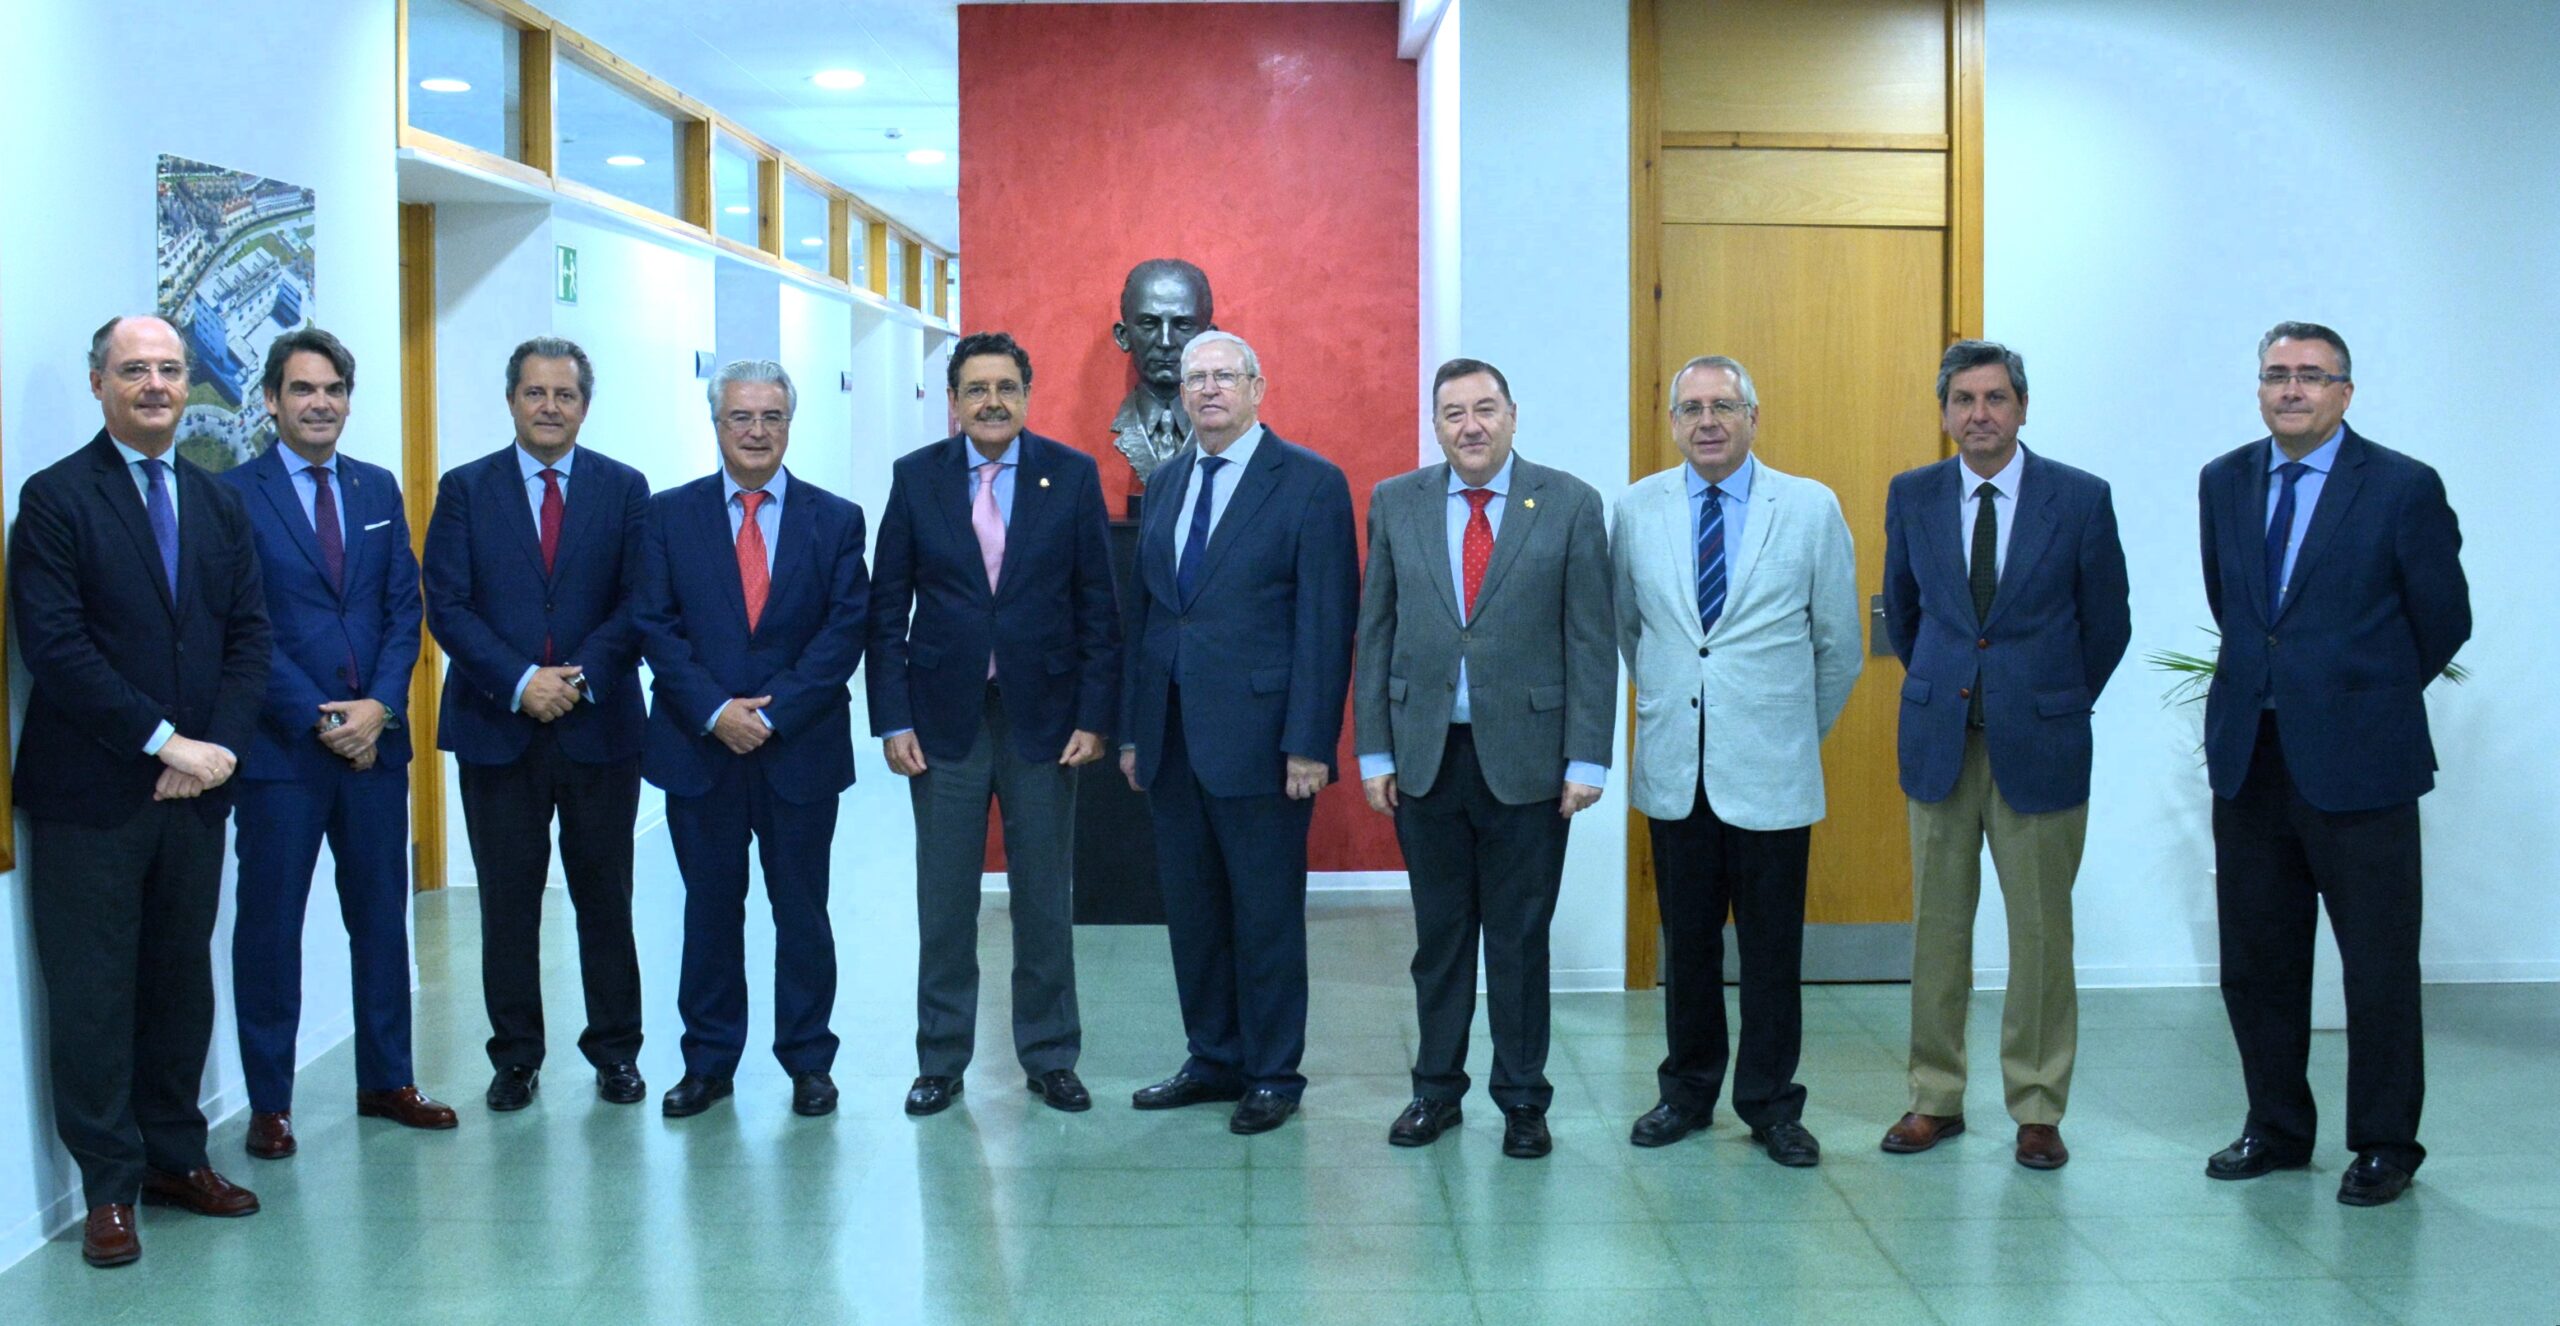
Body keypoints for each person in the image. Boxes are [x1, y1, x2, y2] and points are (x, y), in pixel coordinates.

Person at [11, 314, 273, 1266]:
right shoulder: (54, 501)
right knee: (91, 998)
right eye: (135, 370)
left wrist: (216, 752)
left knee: (177, 986)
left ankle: (175, 1159)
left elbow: (250, 638)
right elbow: (58, 649)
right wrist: (167, 741)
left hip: (196, 797)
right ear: (99, 385)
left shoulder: (215, 503)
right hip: (94, 796)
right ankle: (108, 1190)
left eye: (169, 369)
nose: (155, 385)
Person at [2198, 322, 2469, 1207]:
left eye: (2312, 376)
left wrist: (2362, 696)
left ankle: (2387, 1143)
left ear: (2345, 392)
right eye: (2277, 374)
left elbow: (2443, 619)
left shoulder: (2400, 487)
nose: (2292, 390)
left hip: (2363, 764)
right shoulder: (2225, 481)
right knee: (2258, 961)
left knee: (2377, 965)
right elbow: (2236, 608)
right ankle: (2276, 1127)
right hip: (2252, 759)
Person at [1353, 357, 1614, 1160]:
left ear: (1512, 415)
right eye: (1453, 412)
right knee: (1440, 939)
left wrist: (1589, 759)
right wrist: (1373, 750)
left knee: (1519, 939)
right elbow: (1377, 632)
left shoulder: (1568, 503)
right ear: (1435, 424)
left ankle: (1524, 1101)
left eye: (1485, 409)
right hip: (1426, 757)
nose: (1470, 425)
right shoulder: (1398, 502)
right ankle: (1436, 1092)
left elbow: (1591, 641)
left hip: (1531, 763)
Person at [1878, 340, 2130, 1170]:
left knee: (2041, 937)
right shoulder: (1913, 495)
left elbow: (2108, 623)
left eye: (1994, 398)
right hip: (1940, 745)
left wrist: (2049, 696)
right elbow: (1908, 618)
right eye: (1963, 400)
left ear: (2022, 408)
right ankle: (1934, 1098)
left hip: (2042, 744)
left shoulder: (2080, 499)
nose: (1978, 414)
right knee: (1937, 934)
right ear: (1945, 411)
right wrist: (1954, 682)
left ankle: (2037, 1106)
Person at [1613, 354, 1861, 1167]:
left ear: (1754, 416)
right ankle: (1685, 1092)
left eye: (1723, 405)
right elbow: (1635, 634)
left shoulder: (1811, 508)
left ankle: (1769, 1104)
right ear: (1674, 422)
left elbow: (1839, 647)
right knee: (1685, 947)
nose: (1707, 420)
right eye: (1691, 408)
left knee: (1770, 951)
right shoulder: (1638, 509)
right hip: (1676, 768)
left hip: (1773, 771)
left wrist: (1785, 731)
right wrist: (1684, 710)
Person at [868, 332, 1121, 1118]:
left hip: (1043, 720)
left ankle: (1050, 1057)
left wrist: (1094, 715)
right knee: (945, 900)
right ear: (953, 401)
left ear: (1027, 394)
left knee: (1044, 895)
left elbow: (1098, 611)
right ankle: (941, 1060)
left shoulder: (1071, 477)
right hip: (943, 719)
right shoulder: (917, 479)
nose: (991, 401)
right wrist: (891, 718)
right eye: (975, 388)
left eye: (1006, 386)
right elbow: (885, 611)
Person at [223, 329, 457, 1162]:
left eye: (333, 389)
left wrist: (379, 708)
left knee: (380, 921)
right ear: (271, 401)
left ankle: (387, 1078)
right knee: (270, 929)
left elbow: (406, 608)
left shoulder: (377, 488)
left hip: (375, 752)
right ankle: (269, 1103)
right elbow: (239, 628)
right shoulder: (233, 496)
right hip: (283, 757)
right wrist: (324, 719)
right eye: (302, 390)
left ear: (348, 400)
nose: (319, 403)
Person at [1118, 330, 1358, 1134]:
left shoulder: (1310, 484)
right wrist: (1131, 731)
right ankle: (1213, 1056)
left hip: (1264, 740)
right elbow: (1149, 616)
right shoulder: (1170, 480)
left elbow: (1327, 624)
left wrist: (1310, 742)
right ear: (1182, 394)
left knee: (1264, 913)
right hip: (1172, 737)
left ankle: (1272, 1071)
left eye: (1225, 376)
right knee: (1193, 912)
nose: (1209, 390)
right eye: (1197, 379)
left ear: (1258, 386)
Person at [634, 360, 871, 1119]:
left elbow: (845, 629)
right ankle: (708, 1062)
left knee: (802, 910)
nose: (757, 431)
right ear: (717, 424)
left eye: (771, 416)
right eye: (741, 417)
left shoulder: (834, 518)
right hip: (698, 748)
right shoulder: (667, 517)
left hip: (799, 750)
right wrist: (715, 711)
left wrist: (773, 713)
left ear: (789, 424)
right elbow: (655, 626)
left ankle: (808, 1061)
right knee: (709, 909)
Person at [423, 337, 652, 1113]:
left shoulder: (625, 490)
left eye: (564, 394)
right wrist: (522, 682)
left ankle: (616, 1052)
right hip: (498, 728)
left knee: (604, 897)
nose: (549, 406)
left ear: (585, 405)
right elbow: (447, 604)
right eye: (535, 393)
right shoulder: (464, 490)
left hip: (599, 728)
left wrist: (577, 679)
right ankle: (516, 1056)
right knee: (508, 902)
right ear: (511, 399)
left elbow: (638, 603)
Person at [1108, 258, 1216, 485]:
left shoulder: (1225, 429)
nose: (1166, 342)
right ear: (1123, 336)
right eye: (1149, 323)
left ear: (1208, 338)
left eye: (1183, 325)